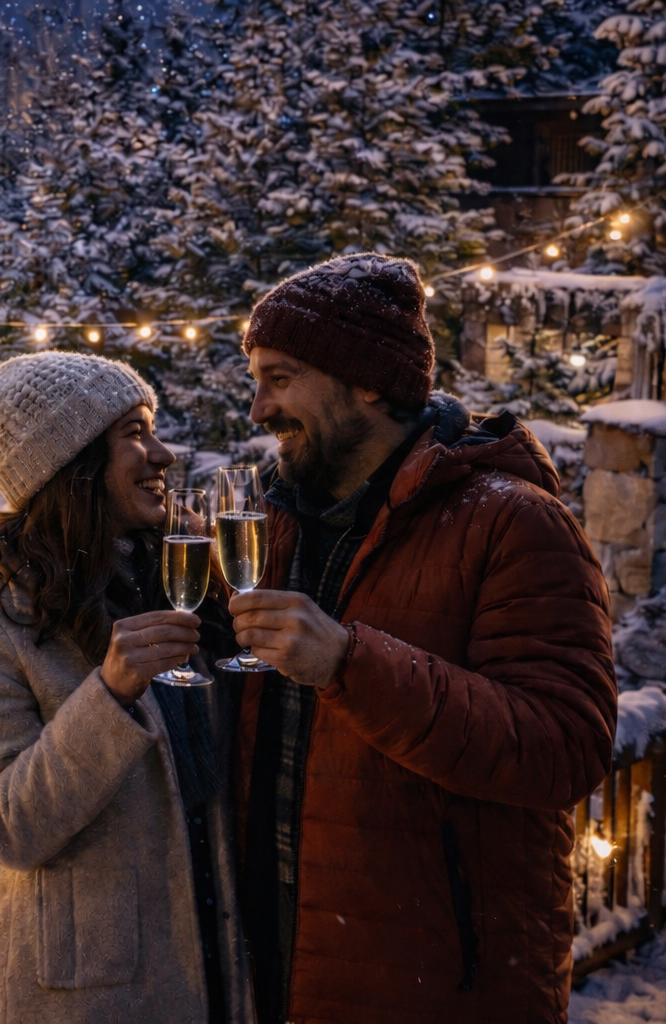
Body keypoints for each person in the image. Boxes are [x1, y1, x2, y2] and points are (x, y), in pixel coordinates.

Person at [229, 253, 616, 1024]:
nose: (256, 409)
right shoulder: (271, 521)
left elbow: (566, 746)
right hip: (277, 969)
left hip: (438, 987)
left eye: (280, 377)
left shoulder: (512, 522)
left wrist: (348, 663)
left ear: (368, 381)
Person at [0, 351, 250, 1024]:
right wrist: (107, 697)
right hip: (88, 992)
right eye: (134, 433)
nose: (162, 453)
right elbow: (3, 830)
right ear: (72, 467)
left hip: (214, 959)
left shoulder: (181, 586)